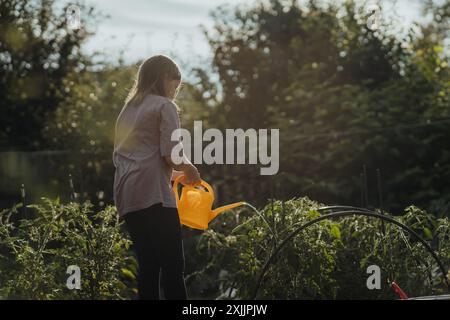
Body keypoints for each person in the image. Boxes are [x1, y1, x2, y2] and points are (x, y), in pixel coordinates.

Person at [112, 54, 201, 300]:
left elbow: (137, 157)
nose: (175, 91)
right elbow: (171, 153)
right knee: (173, 267)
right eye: (175, 84)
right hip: (155, 197)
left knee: (149, 267)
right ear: (163, 77)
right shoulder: (164, 106)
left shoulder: (128, 110)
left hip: (128, 196)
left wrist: (172, 176)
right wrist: (189, 168)